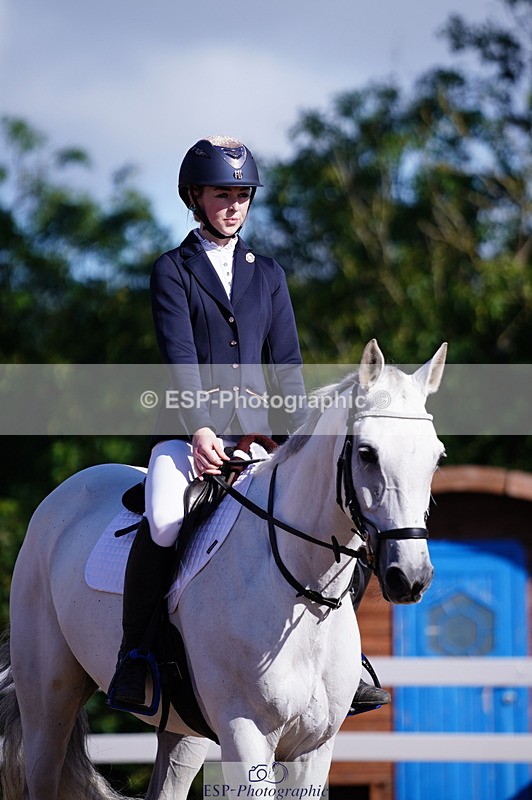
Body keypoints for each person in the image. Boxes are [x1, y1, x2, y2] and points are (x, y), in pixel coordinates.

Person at [107, 135, 389, 715]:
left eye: (243, 195)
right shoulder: (173, 270)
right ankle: (136, 656)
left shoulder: (270, 275)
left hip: (260, 437)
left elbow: (286, 365)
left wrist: (297, 435)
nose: (234, 205)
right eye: (221, 194)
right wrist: (201, 430)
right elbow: (179, 356)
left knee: (336, 517)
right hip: (188, 437)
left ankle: (348, 660)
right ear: (195, 197)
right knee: (163, 519)